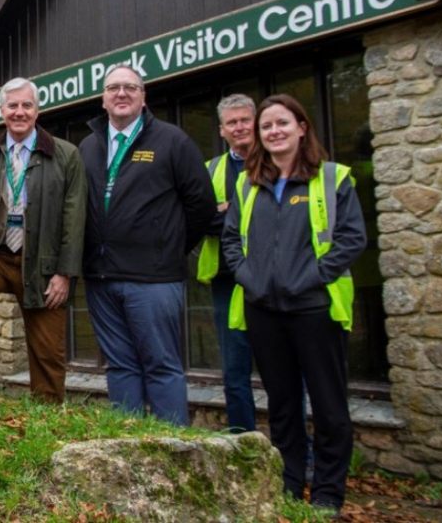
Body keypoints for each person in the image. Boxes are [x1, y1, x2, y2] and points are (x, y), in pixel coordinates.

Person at [222, 94, 365, 514]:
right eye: (267, 127)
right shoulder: (249, 184)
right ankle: (288, 485)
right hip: (264, 309)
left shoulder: (332, 178)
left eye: (282, 123)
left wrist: (311, 279)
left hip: (315, 309)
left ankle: (326, 495)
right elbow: (232, 241)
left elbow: (352, 239)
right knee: (282, 405)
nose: (274, 131)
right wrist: (249, 278)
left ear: (302, 127)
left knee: (328, 405)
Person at [79, 64, 215, 425]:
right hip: (101, 277)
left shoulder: (172, 141)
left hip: (154, 278)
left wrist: (169, 247)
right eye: (113, 88)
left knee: (161, 365)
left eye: (130, 87)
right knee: (120, 366)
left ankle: (174, 449)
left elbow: (200, 204)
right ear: (103, 99)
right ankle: (130, 447)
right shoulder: (89, 146)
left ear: (143, 97)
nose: (121, 94)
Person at [0, 77, 85, 403]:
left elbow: (75, 219)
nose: (19, 112)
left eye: (26, 105)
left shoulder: (65, 155)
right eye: (12, 105)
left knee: (48, 355)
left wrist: (64, 274)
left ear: (37, 111)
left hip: (42, 265)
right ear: (2, 111)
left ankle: (48, 418)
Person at [195, 93, 257, 433]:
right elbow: (203, 221)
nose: (239, 127)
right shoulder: (211, 170)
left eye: (245, 120)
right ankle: (243, 441)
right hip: (227, 281)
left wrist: (228, 209)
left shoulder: (280, 162)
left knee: (285, 370)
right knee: (235, 370)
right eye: (232, 122)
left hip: (276, 281)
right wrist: (238, 212)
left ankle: (294, 455)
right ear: (222, 130)